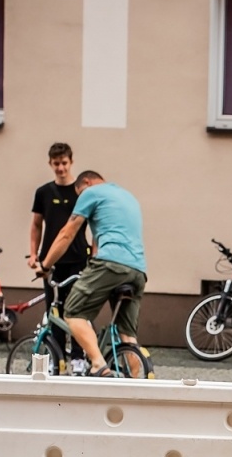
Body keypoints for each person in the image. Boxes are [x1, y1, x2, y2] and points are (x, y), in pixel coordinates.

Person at [39, 170, 145, 377]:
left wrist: (45, 265)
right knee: (128, 334)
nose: (82, 200)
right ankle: (136, 380)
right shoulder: (127, 196)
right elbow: (101, 237)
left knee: (72, 311)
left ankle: (97, 363)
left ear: (86, 182)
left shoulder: (92, 192)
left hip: (111, 264)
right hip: (138, 270)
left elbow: (67, 232)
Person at [27, 142, 92, 361]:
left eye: (64, 163)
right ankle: (57, 358)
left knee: (76, 310)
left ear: (71, 162)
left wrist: (94, 251)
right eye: (56, 164)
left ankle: (77, 357)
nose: (61, 168)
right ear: (50, 164)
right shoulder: (43, 192)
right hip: (51, 262)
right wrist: (34, 254)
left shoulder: (81, 193)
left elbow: (94, 225)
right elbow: (36, 225)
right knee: (54, 310)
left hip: (77, 260)